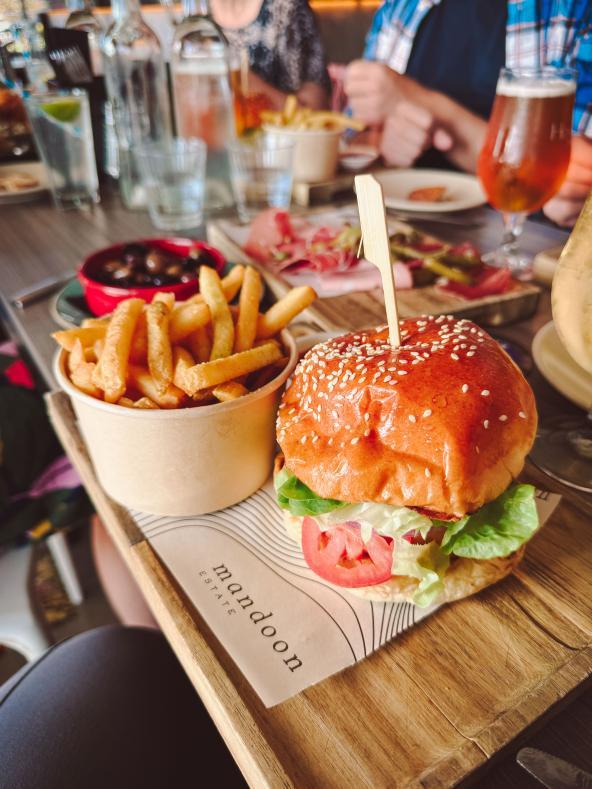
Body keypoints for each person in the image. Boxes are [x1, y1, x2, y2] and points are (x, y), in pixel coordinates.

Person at [344, 0, 592, 227]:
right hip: (400, 229)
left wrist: (434, 110)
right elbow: (352, 142)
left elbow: (563, 181)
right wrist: (379, 142)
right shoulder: (400, 7)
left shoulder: (574, 10)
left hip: (528, 246)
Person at [210, 0, 330, 110]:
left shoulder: (288, 8)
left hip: (277, 132)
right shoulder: (193, 14)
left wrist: (249, 84)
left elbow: (315, 110)